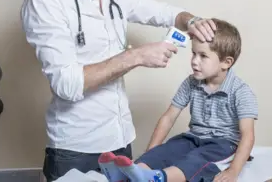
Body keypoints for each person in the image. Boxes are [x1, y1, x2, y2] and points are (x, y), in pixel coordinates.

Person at [19, 0, 217, 181]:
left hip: (120, 139)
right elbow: (67, 84)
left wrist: (191, 20)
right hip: (76, 148)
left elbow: (165, 13)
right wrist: (135, 56)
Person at [98, 18, 258, 182]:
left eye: (203, 56)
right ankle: (131, 174)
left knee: (195, 159)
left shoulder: (240, 92)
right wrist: (151, 152)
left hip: (223, 145)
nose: (195, 61)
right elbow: (168, 117)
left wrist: (233, 171)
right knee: (168, 149)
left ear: (226, 62)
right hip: (193, 138)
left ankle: (158, 178)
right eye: (193, 53)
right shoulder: (191, 82)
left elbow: (247, 136)